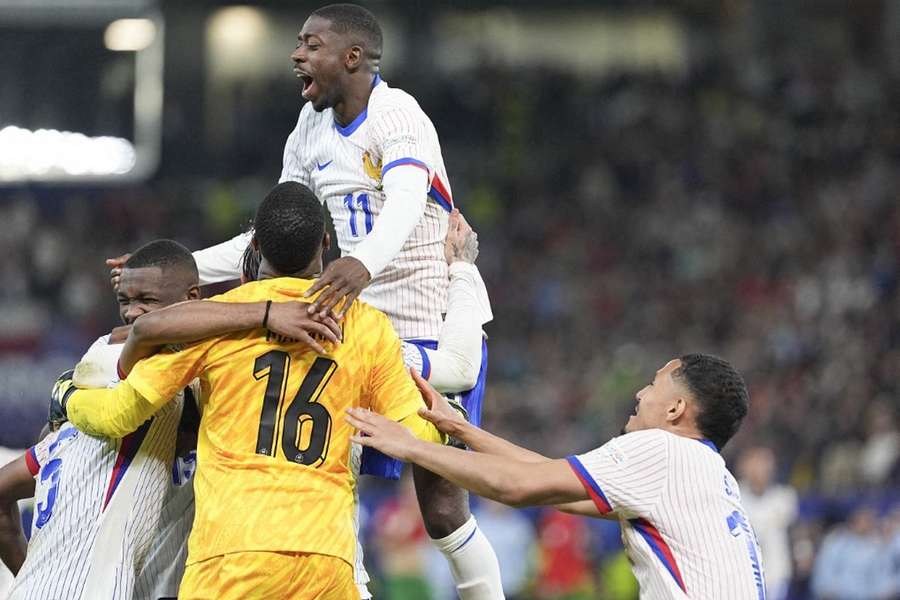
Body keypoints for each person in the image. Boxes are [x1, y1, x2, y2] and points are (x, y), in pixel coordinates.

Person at [108, 4, 502, 597]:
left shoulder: (399, 115)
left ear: (352, 57)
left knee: (443, 510)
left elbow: (402, 202)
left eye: (310, 44)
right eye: (298, 43)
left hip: (426, 325)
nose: (296, 55)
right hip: (352, 325)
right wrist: (179, 264)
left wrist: (360, 263)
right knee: (324, 471)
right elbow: (271, 231)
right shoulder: (308, 129)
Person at [59, 182, 455, 600]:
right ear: (325, 241)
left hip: (229, 558)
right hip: (324, 557)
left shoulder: (217, 319)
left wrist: (70, 397)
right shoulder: (366, 326)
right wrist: (446, 423)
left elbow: (120, 412)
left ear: (255, 246)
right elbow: (418, 436)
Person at [346, 354, 769, 600]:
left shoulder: (662, 451)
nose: (640, 394)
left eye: (652, 384)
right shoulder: (709, 474)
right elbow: (551, 485)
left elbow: (518, 487)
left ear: (675, 409)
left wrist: (412, 446)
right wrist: (463, 431)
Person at [0, 240, 202, 600]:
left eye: (147, 301)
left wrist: (26, 575)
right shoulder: (126, 375)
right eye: (125, 302)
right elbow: (145, 334)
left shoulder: (62, 438)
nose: (131, 314)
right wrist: (264, 311)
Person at [738, 446, 798, 600]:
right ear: (744, 466)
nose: (760, 469)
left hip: (776, 573)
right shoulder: (733, 494)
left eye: (765, 463)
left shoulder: (785, 497)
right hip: (742, 572)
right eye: (755, 463)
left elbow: (796, 534)